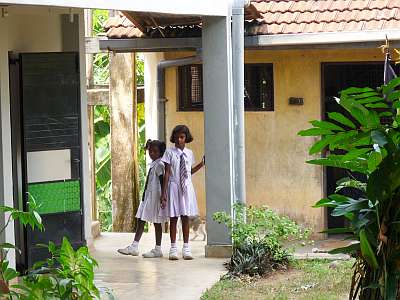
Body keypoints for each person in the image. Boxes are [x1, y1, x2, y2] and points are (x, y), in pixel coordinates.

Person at [160, 125, 205, 260]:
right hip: (173, 186)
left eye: (182, 137)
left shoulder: (189, 153)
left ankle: (186, 247)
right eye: (177, 137)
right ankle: (173, 248)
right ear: (173, 138)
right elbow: (167, 172)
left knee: (185, 217)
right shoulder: (169, 153)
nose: (179, 140)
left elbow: (189, 172)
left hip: (186, 187)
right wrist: (164, 193)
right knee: (174, 218)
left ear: (186, 138)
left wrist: (201, 164)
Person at [118, 139, 167, 258]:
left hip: (155, 197)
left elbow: (162, 181)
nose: (152, 154)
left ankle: (158, 249)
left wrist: (163, 197)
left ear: (161, 153)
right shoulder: (154, 164)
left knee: (156, 222)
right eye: (150, 151)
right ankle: (134, 246)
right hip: (148, 196)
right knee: (141, 219)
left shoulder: (159, 165)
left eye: (155, 151)